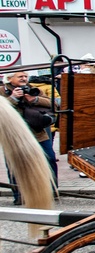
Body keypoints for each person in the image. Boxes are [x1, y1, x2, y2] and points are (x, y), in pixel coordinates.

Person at [4, 72, 58, 203]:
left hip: (38, 132)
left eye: (25, 76)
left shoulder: (34, 89)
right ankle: (19, 196)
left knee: (49, 158)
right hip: (14, 135)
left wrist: (34, 99)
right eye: (20, 76)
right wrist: (13, 98)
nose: (23, 78)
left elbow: (54, 104)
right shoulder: (2, 91)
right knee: (15, 164)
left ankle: (52, 191)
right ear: (10, 79)